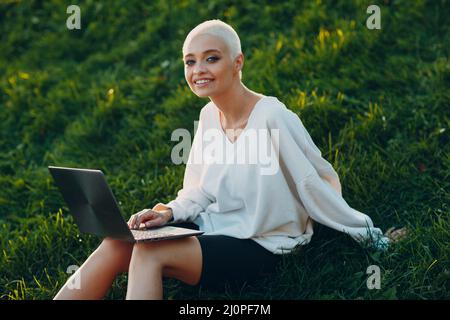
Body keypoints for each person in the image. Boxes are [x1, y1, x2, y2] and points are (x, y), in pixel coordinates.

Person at [54, 19, 407, 300]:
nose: (198, 70)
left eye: (211, 58)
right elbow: (202, 191)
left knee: (150, 254)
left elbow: (313, 186)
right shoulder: (209, 118)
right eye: (190, 61)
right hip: (213, 227)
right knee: (122, 239)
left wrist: (373, 238)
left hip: (263, 244)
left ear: (237, 62)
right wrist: (167, 213)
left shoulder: (273, 118)